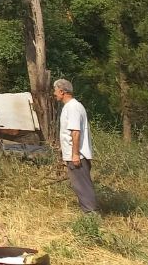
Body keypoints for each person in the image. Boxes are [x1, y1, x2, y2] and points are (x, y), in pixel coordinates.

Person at [53, 78, 97, 213]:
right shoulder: (71, 107)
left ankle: (91, 215)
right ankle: (89, 213)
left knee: (82, 185)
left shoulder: (72, 107)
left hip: (78, 156)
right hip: (74, 154)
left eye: (55, 90)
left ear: (62, 91)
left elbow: (75, 132)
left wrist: (75, 154)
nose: (54, 93)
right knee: (80, 185)